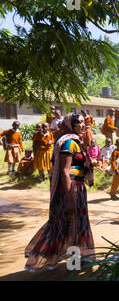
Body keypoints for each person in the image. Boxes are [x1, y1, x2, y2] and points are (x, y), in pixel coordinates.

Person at [25, 113, 95, 271]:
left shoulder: (76, 142)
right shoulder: (68, 143)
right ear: (71, 125)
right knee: (71, 225)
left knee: (75, 225)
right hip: (71, 190)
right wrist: (70, 198)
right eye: (79, 123)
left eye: (84, 122)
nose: (83, 125)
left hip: (78, 188)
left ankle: (75, 261)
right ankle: (72, 265)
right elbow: (64, 171)